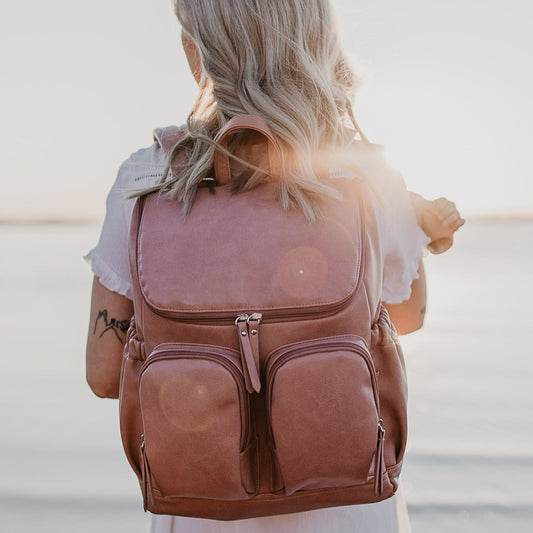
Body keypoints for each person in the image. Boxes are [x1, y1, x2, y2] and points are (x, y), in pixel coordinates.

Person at [85, 1, 464, 532]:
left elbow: (106, 374)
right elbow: (405, 317)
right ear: (316, 41)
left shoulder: (148, 177)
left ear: (200, 52)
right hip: (347, 505)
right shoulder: (366, 173)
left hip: (202, 507)